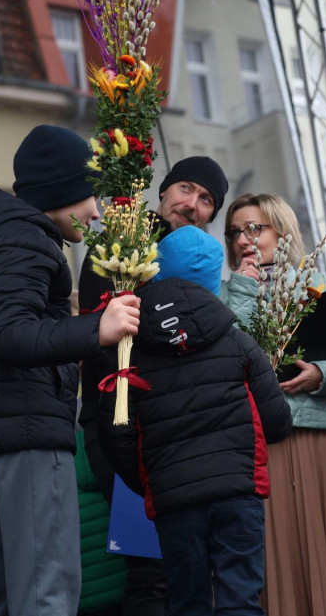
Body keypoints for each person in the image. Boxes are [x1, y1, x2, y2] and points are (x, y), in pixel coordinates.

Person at [0, 124, 141, 616]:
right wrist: (95, 330)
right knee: (44, 591)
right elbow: (13, 334)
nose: (97, 211)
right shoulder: (27, 241)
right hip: (25, 435)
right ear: (62, 190)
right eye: (90, 195)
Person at [100, 226, 292, 615]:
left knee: (187, 602)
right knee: (240, 599)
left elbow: (116, 436)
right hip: (238, 491)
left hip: (173, 502)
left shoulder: (129, 351)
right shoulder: (237, 341)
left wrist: (154, 480)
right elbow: (276, 421)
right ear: (211, 280)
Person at [220, 192, 326, 615]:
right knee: (281, 559)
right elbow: (228, 358)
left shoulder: (319, 289)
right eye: (234, 232)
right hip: (263, 445)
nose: (243, 239)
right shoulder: (224, 297)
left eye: (254, 228)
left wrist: (322, 375)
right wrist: (243, 288)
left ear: (282, 231)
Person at [77, 155, 230, 616]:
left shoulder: (200, 265)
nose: (193, 204)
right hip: (124, 419)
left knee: (187, 566)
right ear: (162, 192)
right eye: (186, 189)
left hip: (182, 425)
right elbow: (98, 325)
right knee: (152, 567)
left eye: (207, 201)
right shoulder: (123, 241)